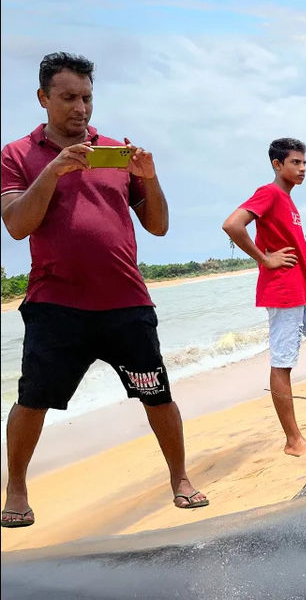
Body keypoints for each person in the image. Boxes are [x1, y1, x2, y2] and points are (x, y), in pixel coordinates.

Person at [1, 52, 207, 528]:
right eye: (69, 97)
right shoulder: (16, 155)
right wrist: (54, 169)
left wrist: (149, 179)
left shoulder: (115, 151)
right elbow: (16, 225)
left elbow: (157, 226)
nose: (81, 108)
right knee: (32, 401)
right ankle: (16, 489)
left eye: (87, 97)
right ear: (42, 98)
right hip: (55, 306)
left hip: (126, 302)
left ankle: (179, 478)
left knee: (157, 395)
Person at [222, 138, 306, 457]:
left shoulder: (287, 200)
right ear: (277, 165)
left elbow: (297, 252)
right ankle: (293, 440)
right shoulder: (269, 193)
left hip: (302, 292)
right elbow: (232, 225)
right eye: (295, 163)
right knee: (283, 365)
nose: (301, 169)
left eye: (304, 163)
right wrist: (263, 258)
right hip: (282, 293)